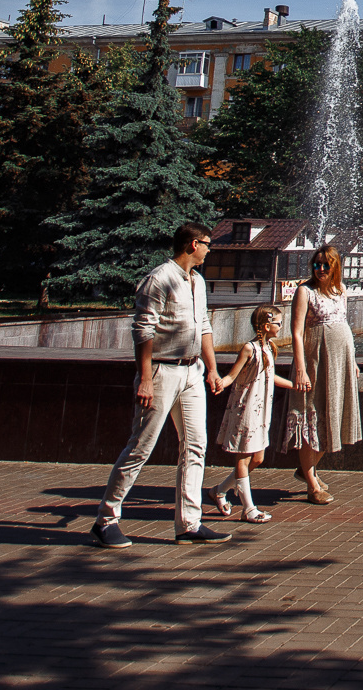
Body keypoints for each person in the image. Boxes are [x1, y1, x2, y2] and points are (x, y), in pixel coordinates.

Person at [91, 221, 233, 547]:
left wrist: (211, 370)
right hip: (161, 372)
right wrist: (144, 378)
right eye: (208, 244)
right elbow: (143, 331)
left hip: (192, 371)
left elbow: (205, 328)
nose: (211, 249)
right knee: (141, 446)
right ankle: (105, 520)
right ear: (192, 245)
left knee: (196, 445)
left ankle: (189, 524)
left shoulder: (198, 281)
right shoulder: (159, 280)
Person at [282, 244, 363, 503]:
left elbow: (343, 323)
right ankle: (312, 485)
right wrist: (301, 370)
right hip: (316, 359)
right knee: (312, 416)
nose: (320, 269)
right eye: (316, 264)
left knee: (333, 415)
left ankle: (306, 471)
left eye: (326, 265)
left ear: (336, 266)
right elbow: (296, 332)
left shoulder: (341, 291)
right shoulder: (305, 291)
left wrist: (354, 361)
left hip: (340, 361)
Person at [208, 304, 292, 522]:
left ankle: (218, 490)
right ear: (266, 325)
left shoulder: (270, 348)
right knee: (243, 458)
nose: (281, 327)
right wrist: (220, 383)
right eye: (278, 323)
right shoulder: (249, 349)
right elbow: (232, 376)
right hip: (245, 410)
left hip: (262, 410)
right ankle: (248, 509)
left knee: (258, 458)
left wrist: (294, 385)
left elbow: (270, 376)